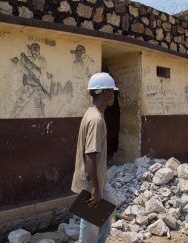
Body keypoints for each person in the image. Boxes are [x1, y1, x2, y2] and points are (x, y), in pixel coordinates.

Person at [71, 72, 118, 243]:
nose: (114, 95)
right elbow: (90, 154)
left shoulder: (93, 114)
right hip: (92, 183)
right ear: (104, 92)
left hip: (99, 179)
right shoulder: (96, 119)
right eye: (112, 91)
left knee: (108, 210)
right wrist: (95, 189)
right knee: (90, 223)